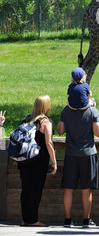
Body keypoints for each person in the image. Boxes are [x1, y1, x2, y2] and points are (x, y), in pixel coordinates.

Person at [56, 92, 99, 228]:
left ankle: (67, 220)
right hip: (88, 154)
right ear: (87, 95)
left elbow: (60, 131)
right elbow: (98, 132)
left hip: (70, 153)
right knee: (86, 189)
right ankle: (86, 221)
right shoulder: (93, 110)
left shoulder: (66, 111)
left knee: (68, 188)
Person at [18, 95, 57, 227]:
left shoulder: (28, 119)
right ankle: (32, 219)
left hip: (24, 160)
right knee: (35, 190)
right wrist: (54, 162)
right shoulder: (46, 122)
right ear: (46, 106)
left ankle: (25, 219)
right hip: (38, 161)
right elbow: (49, 143)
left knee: (26, 189)